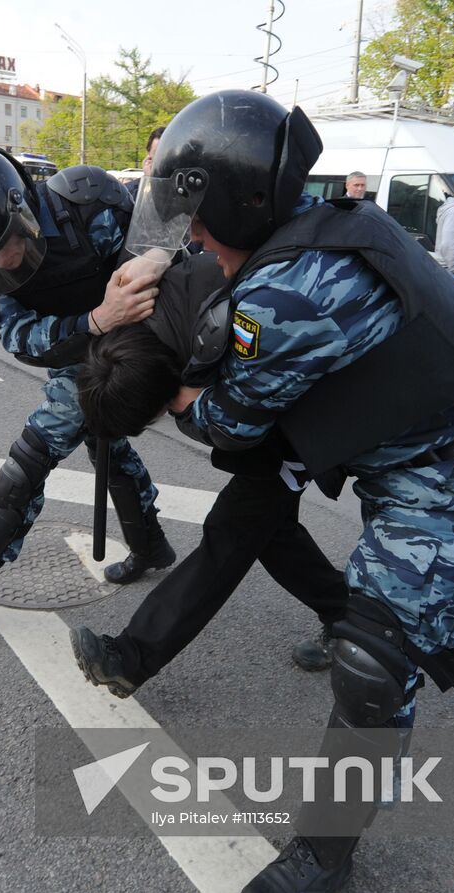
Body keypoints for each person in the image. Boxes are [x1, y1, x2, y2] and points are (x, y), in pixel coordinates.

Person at [136, 91, 454, 893]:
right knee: (422, 609)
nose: (188, 235)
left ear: (234, 202)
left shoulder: (290, 293)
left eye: (195, 215)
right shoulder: (325, 225)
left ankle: (325, 849)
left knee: (374, 645)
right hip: (436, 459)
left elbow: (226, 421)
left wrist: (180, 383)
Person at [0, 145, 175, 617]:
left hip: (137, 337)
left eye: (9, 242)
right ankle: (150, 546)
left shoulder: (89, 205)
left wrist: (155, 263)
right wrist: (96, 320)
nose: (6, 262)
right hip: (76, 344)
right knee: (102, 443)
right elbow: (25, 341)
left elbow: (167, 244)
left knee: (31, 457)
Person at [71, 254, 350, 691]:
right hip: (297, 406)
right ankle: (346, 616)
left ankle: (129, 659)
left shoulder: (223, 333)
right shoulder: (148, 322)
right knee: (273, 533)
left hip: (322, 410)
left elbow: (240, 423)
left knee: (231, 530)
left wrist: (194, 406)